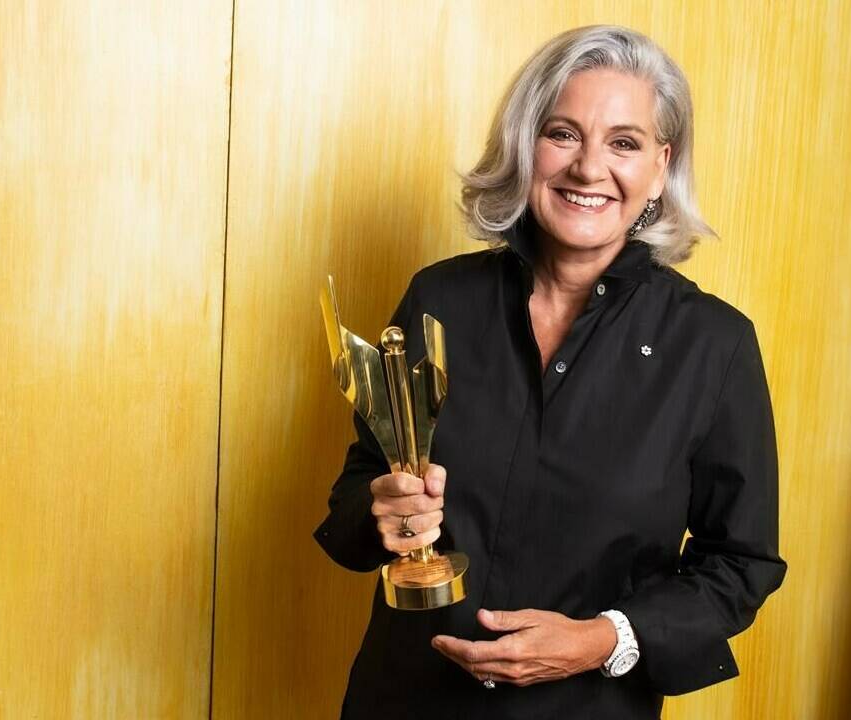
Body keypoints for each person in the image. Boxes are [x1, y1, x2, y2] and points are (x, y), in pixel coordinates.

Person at [314, 24, 786, 720]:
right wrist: (381, 511)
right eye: (563, 133)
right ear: (524, 145)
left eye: (624, 143)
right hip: (404, 700)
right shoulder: (438, 300)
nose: (589, 168)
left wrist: (604, 639)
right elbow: (362, 485)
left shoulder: (714, 346)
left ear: (660, 166)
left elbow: (742, 564)